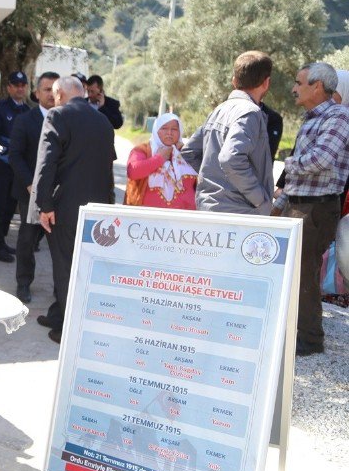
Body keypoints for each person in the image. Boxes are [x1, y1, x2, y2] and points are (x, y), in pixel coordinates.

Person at [272, 62, 349, 357]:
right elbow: (300, 176)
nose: (293, 88)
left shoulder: (338, 116)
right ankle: (294, 333)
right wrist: (278, 206)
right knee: (292, 272)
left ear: (317, 86)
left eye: (298, 82)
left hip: (317, 210)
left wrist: (281, 164)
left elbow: (320, 160)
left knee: (303, 273)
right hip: (300, 205)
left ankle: (309, 340)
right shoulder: (312, 118)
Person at [33, 76, 115, 344]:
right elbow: (108, 167)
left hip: (66, 206)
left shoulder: (58, 115)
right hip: (98, 208)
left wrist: (43, 205)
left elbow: (46, 164)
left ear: (59, 95)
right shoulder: (103, 121)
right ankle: (58, 314)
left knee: (66, 266)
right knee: (81, 265)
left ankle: (68, 329)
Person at [181, 51, 275, 215]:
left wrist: (214, 180)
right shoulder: (250, 113)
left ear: (234, 81)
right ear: (266, 83)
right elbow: (230, 158)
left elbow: (189, 152)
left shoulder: (219, 110)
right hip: (239, 212)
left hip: (209, 207)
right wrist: (260, 199)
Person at [8, 72, 59, 303]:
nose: (51, 94)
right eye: (46, 89)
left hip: (58, 194)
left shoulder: (65, 119)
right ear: (37, 93)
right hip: (30, 193)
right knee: (27, 240)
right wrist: (30, 184)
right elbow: (15, 155)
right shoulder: (25, 120)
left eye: (54, 89)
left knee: (57, 243)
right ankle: (23, 283)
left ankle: (61, 292)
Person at [0, 71, 31, 262]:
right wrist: (11, 147)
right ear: (9, 87)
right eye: (16, 85)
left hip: (18, 168)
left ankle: (1, 241)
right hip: (0, 165)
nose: (20, 88)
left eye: (23, 85)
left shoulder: (29, 111)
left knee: (11, 206)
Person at [125, 112, 198, 210]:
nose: (169, 133)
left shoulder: (186, 153)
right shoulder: (143, 150)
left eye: (174, 129)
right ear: (156, 130)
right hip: (146, 219)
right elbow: (133, 171)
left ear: (180, 132)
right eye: (164, 128)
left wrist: (185, 153)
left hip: (183, 219)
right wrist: (159, 158)